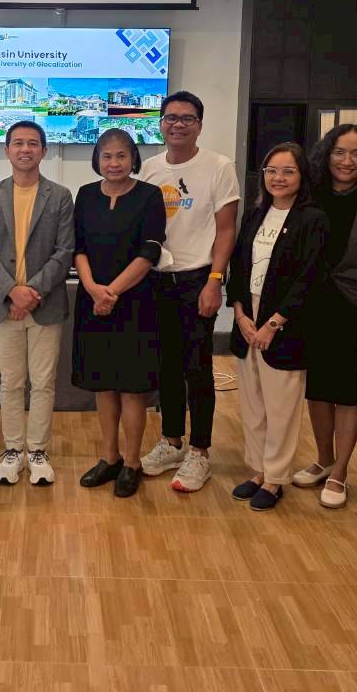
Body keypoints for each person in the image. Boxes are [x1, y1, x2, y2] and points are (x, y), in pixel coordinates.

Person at [138, 90, 240, 493]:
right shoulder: (149, 168)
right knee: (165, 366)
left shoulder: (218, 166)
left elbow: (227, 229)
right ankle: (172, 441)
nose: (178, 124)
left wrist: (216, 280)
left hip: (198, 280)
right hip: (157, 280)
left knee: (197, 368)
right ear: (160, 123)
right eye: (171, 117)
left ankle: (199, 451)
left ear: (199, 125)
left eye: (187, 118)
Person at [292, 124, 357, 509]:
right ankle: (323, 459)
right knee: (318, 388)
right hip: (311, 304)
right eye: (339, 152)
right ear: (326, 154)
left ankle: (341, 471)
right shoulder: (310, 193)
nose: (347, 161)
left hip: (356, 305)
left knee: (348, 392)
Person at [225, 143, 329, 512]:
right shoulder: (256, 214)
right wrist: (240, 314)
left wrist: (273, 323)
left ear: (302, 176)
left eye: (288, 171)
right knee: (253, 404)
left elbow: (310, 278)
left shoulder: (313, 219)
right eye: (271, 170)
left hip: (285, 324)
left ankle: (275, 478)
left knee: (281, 406)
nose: (278, 178)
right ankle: (258, 470)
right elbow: (238, 266)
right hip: (248, 317)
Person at [0, 121, 74, 486]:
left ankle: (38, 451)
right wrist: (11, 291)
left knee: (43, 382)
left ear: (43, 151)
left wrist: (30, 292)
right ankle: (13, 449)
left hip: (45, 305)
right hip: (5, 305)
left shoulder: (60, 195)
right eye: (18, 143)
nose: (25, 149)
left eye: (33, 143)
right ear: (7, 150)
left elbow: (64, 251)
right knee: (11, 382)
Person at [73, 129, 167, 499]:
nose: (114, 163)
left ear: (133, 159)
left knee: (131, 388)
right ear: (97, 159)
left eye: (121, 156)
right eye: (107, 156)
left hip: (135, 303)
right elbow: (78, 247)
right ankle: (109, 457)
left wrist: (111, 292)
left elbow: (149, 252)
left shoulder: (149, 196)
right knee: (103, 384)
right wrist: (93, 289)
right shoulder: (85, 195)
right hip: (93, 300)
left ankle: (131, 462)